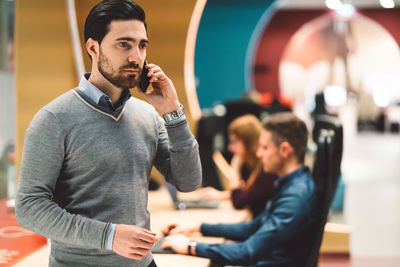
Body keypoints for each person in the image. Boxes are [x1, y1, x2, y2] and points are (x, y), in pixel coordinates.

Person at [15, 1, 202, 267]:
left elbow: (189, 182)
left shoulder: (147, 115)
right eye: (123, 44)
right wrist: (108, 236)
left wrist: (173, 112)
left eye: (142, 45)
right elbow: (29, 207)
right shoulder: (54, 119)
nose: (136, 56)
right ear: (93, 47)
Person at [161, 112, 320, 267]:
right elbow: (252, 227)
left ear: (285, 150)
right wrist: (198, 227)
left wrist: (190, 246)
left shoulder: (295, 196)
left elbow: (247, 251)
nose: (259, 153)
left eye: (264, 147)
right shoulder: (291, 185)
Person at [199, 114, 277, 217]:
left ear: (248, 141)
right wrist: (221, 195)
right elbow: (247, 194)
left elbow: (239, 202)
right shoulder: (249, 165)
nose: (230, 147)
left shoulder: (265, 167)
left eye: (234, 141)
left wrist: (236, 167)